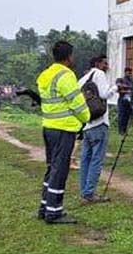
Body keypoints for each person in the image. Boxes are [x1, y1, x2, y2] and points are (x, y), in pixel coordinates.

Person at [36, 41, 91, 224]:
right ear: (69, 57)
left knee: (52, 168)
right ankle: (54, 212)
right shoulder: (66, 75)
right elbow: (77, 103)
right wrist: (86, 118)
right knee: (60, 170)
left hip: (49, 126)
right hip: (64, 128)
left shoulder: (46, 74)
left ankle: (45, 207)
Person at [78, 55, 117, 204]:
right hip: (99, 123)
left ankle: (84, 191)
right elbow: (104, 94)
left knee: (85, 160)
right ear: (97, 64)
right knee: (96, 160)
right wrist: (116, 87)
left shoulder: (83, 79)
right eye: (105, 63)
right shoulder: (99, 74)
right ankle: (89, 194)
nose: (107, 66)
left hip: (87, 124)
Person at [117, 67, 133, 136]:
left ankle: (125, 130)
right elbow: (119, 87)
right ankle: (121, 131)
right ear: (125, 72)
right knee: (122, 116)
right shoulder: (120, 79)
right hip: (122, 100)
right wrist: (128, 89)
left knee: (128, 116)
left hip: (130, 100)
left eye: (130, 72)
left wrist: (127, 88)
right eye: (127, 72)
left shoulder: (132, 81)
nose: (129, 73)